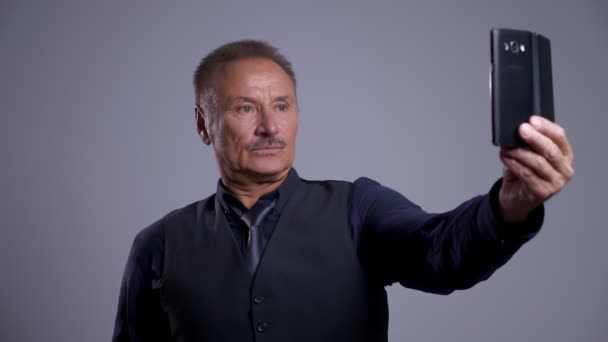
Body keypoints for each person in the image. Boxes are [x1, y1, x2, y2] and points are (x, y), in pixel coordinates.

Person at [112, 40, 574, 342]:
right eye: (246, 107)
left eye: (282, 105)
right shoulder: (158, 244)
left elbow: (440, 250)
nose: (270, 126)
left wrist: (510, 206)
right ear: (202, 124)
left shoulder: (359, 207)